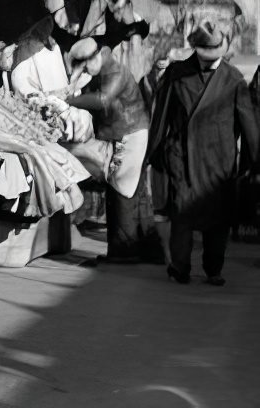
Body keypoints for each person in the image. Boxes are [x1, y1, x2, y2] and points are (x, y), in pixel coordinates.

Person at [147, 20, 260, 286]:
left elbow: (248, 124)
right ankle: (180, 267)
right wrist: (155, 152)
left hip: (217, 160)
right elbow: (160, 115)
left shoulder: (233, 79)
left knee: (217, 218)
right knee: (182, 213)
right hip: (182, 156)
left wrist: (254, 161)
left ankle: (213, 268)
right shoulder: (176, 74)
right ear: (196, 49)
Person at [64, 39, 154, 263]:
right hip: (125, 134)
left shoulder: (114, 70)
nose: (85, 71)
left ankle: (124, 252)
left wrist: (70, 100)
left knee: (120, 190)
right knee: (129, 191)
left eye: (85, 66)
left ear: (94, 58)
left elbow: (103, 100)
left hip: (128, 136)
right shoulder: (104, 68)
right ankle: (138, 249)